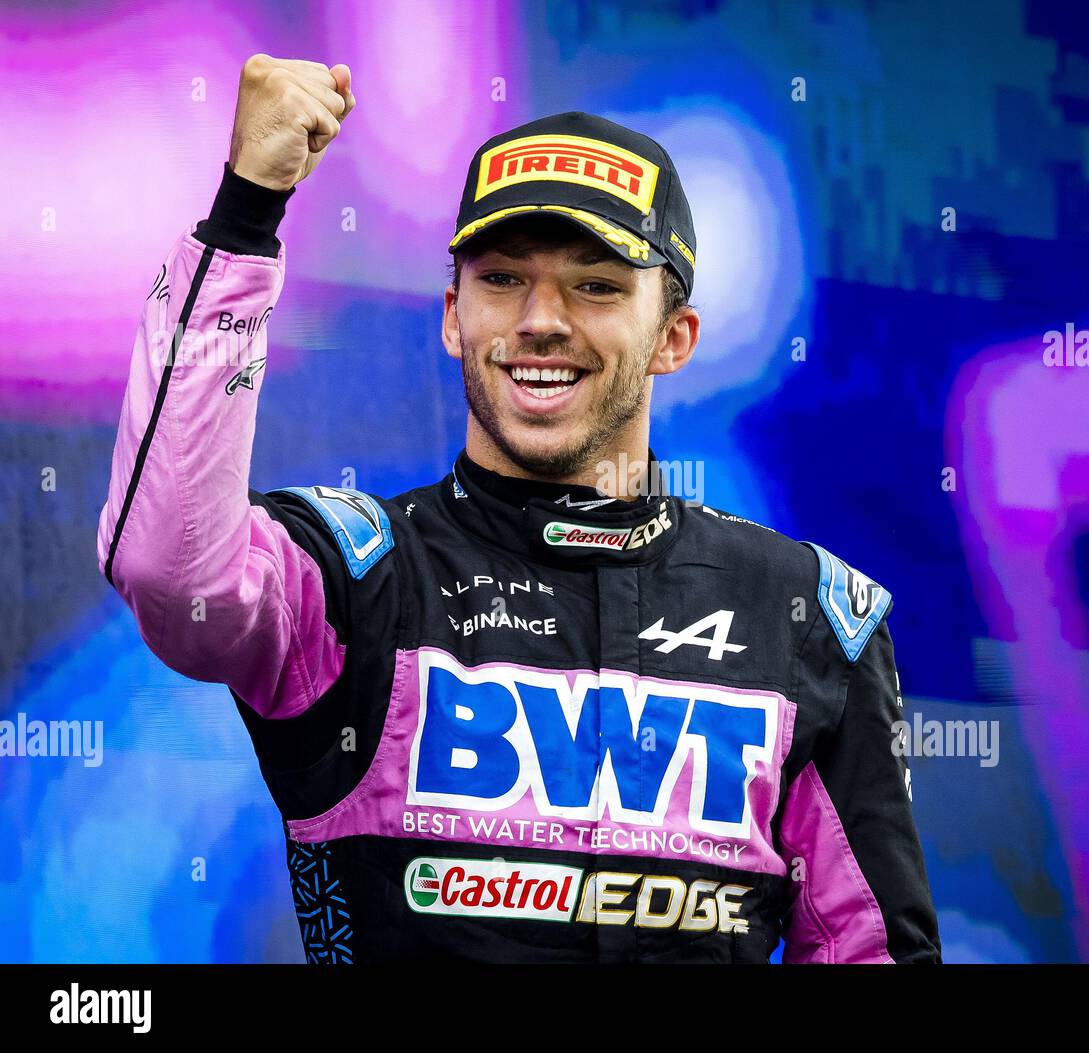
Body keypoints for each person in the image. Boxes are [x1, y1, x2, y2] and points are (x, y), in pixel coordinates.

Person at [96, 54, 942, 964]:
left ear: (674, 338)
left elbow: (873, 952)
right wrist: (246, 212)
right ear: (454, 314)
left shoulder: (807, 612)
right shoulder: (354, 578)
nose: (542, 318)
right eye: (503, 279)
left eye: (597, 284)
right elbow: (171, 571)